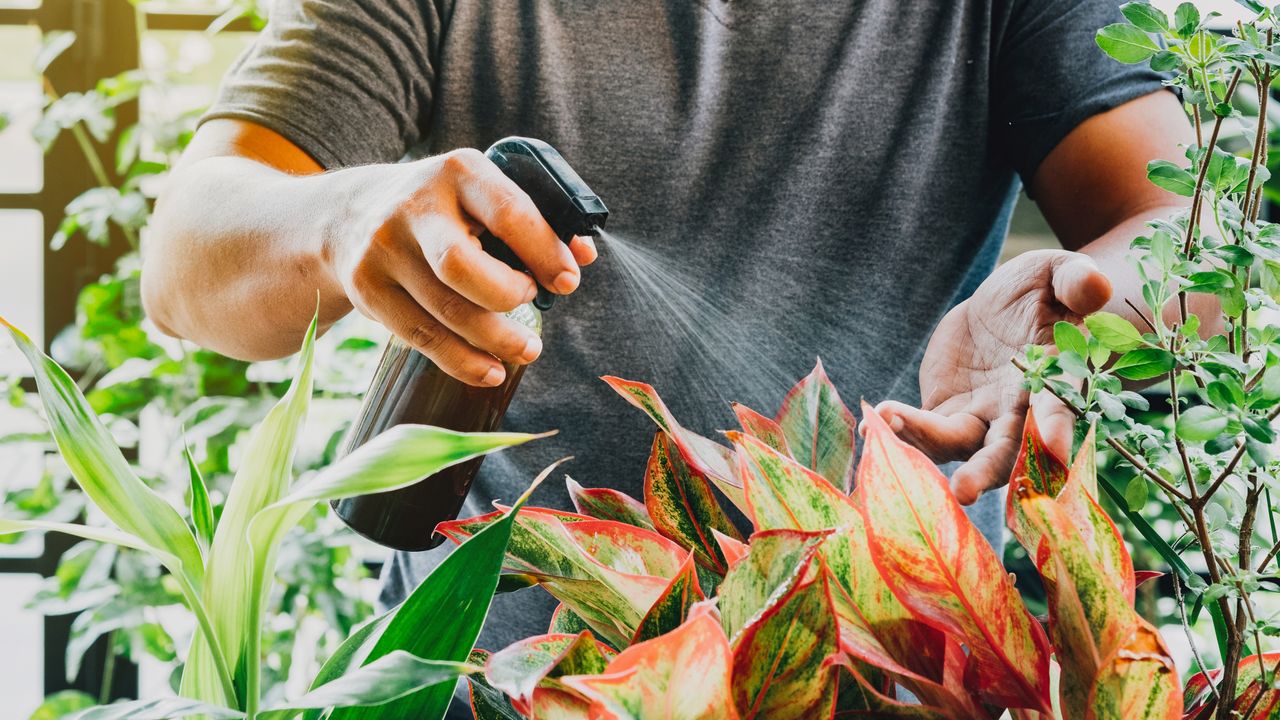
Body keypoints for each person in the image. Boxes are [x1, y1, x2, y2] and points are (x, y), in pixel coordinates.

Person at [143, 0, 1199, 714]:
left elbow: (1190, 236)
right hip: (497, 682)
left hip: (896, 677)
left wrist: (1098, 308)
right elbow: (187, 267)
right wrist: (341, 216)